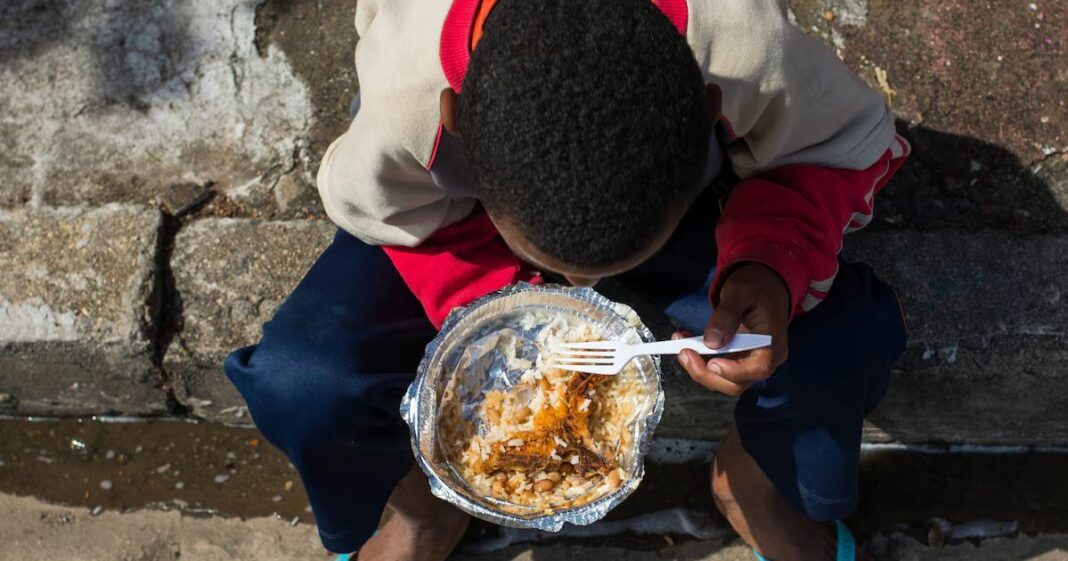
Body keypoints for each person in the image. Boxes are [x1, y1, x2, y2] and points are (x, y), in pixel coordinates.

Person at [224, 0, 910, 559]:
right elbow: (383, 209)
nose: (580, 296)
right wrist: (484, 304)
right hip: (459, 224)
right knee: (304, 381)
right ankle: (418, 505)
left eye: (600, 277)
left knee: (844, 336)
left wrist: (766, 266)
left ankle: (759, 484)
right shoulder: (403, 113)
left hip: (654, 184)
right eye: (565, 273)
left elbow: (848, 146)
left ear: (709, 109)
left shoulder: (744, 48)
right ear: (453, 125)